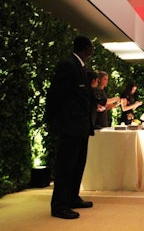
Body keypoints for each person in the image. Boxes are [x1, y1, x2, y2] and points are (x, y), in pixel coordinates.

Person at [46, 35, 95, 219]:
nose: (93, 49)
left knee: (77, 164)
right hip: (71, 125)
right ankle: (59, 205)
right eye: (91, 46)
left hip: (80, 126)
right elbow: (56, 95)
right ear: (85, 48)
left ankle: (72, 197)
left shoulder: (80, 67)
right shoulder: (68, 65)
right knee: (66, 166)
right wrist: (55, 120)